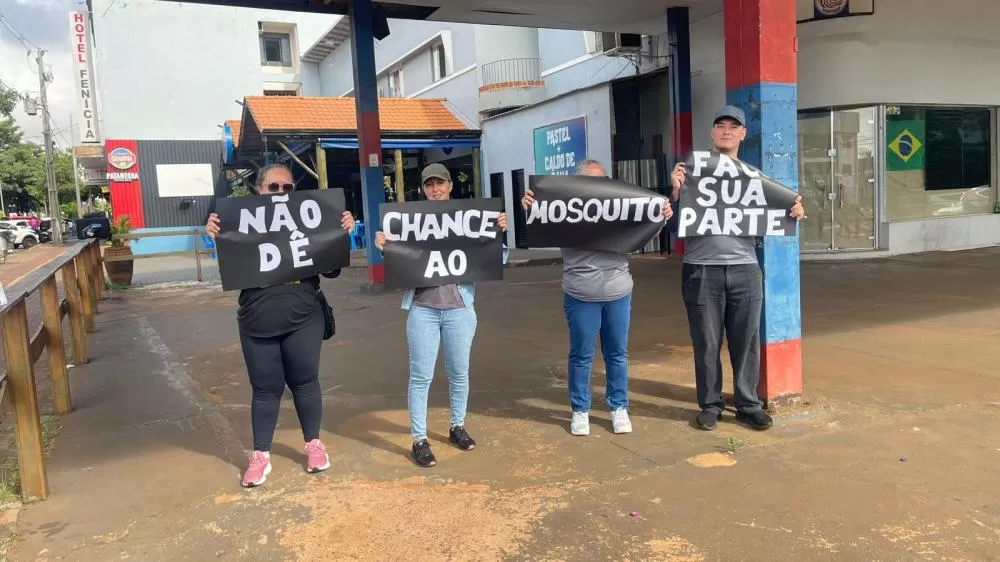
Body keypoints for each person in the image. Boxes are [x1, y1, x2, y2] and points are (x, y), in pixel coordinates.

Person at [205, 164, 355, 487]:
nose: (281, 194)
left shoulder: (307, 218)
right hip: (257, 319)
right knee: (265, 389)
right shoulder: (240, 221)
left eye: (287, 188)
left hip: (304, 315)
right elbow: (228, 263)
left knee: (305, 381)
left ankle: (314, 444)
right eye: (273, 188)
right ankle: (261, 455)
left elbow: (332, 272)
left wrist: (340, 232)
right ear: (259, 191)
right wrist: (219, 232)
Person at [670, 105, 805, 432]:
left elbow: (782, 210)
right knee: (706, 343)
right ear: (712, 133)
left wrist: (795, 210)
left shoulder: (755, 177)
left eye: (734, 126)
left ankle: (747, 405)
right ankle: (711, 405)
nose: (727, 131)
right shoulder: (690, 170)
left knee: (746, 342)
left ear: (743, 134)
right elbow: (672, 219)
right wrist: (675, 192)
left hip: (745, 269)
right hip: (701, 269)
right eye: (720, 125)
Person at [521, 159, 673, 437]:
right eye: (592, 180)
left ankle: (619, 407)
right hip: (580, 294)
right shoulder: (565, 209)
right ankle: (580, 410)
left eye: (602, 180)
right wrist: (533, 206)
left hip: (618, 293)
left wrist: (660, 214)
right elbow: (541, 220)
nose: (598, 186)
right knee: (581, 355)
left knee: (617, 354)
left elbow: (643, 231)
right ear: (578, 184)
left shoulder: (618, 205)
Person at [374, 163, 508, 467]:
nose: (435, 189)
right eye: (429, 184)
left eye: (440, 183)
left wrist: (500, 233)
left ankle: (457, 426)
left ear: (450, 187)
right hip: (423, 310)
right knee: (420, 377)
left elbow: (498, 259)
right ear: (423, 190)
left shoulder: (470, 219)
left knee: (459, 373)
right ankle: (419, 439)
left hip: (460, 309)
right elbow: (400, 260)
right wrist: (384, 248)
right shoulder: (411, 222)